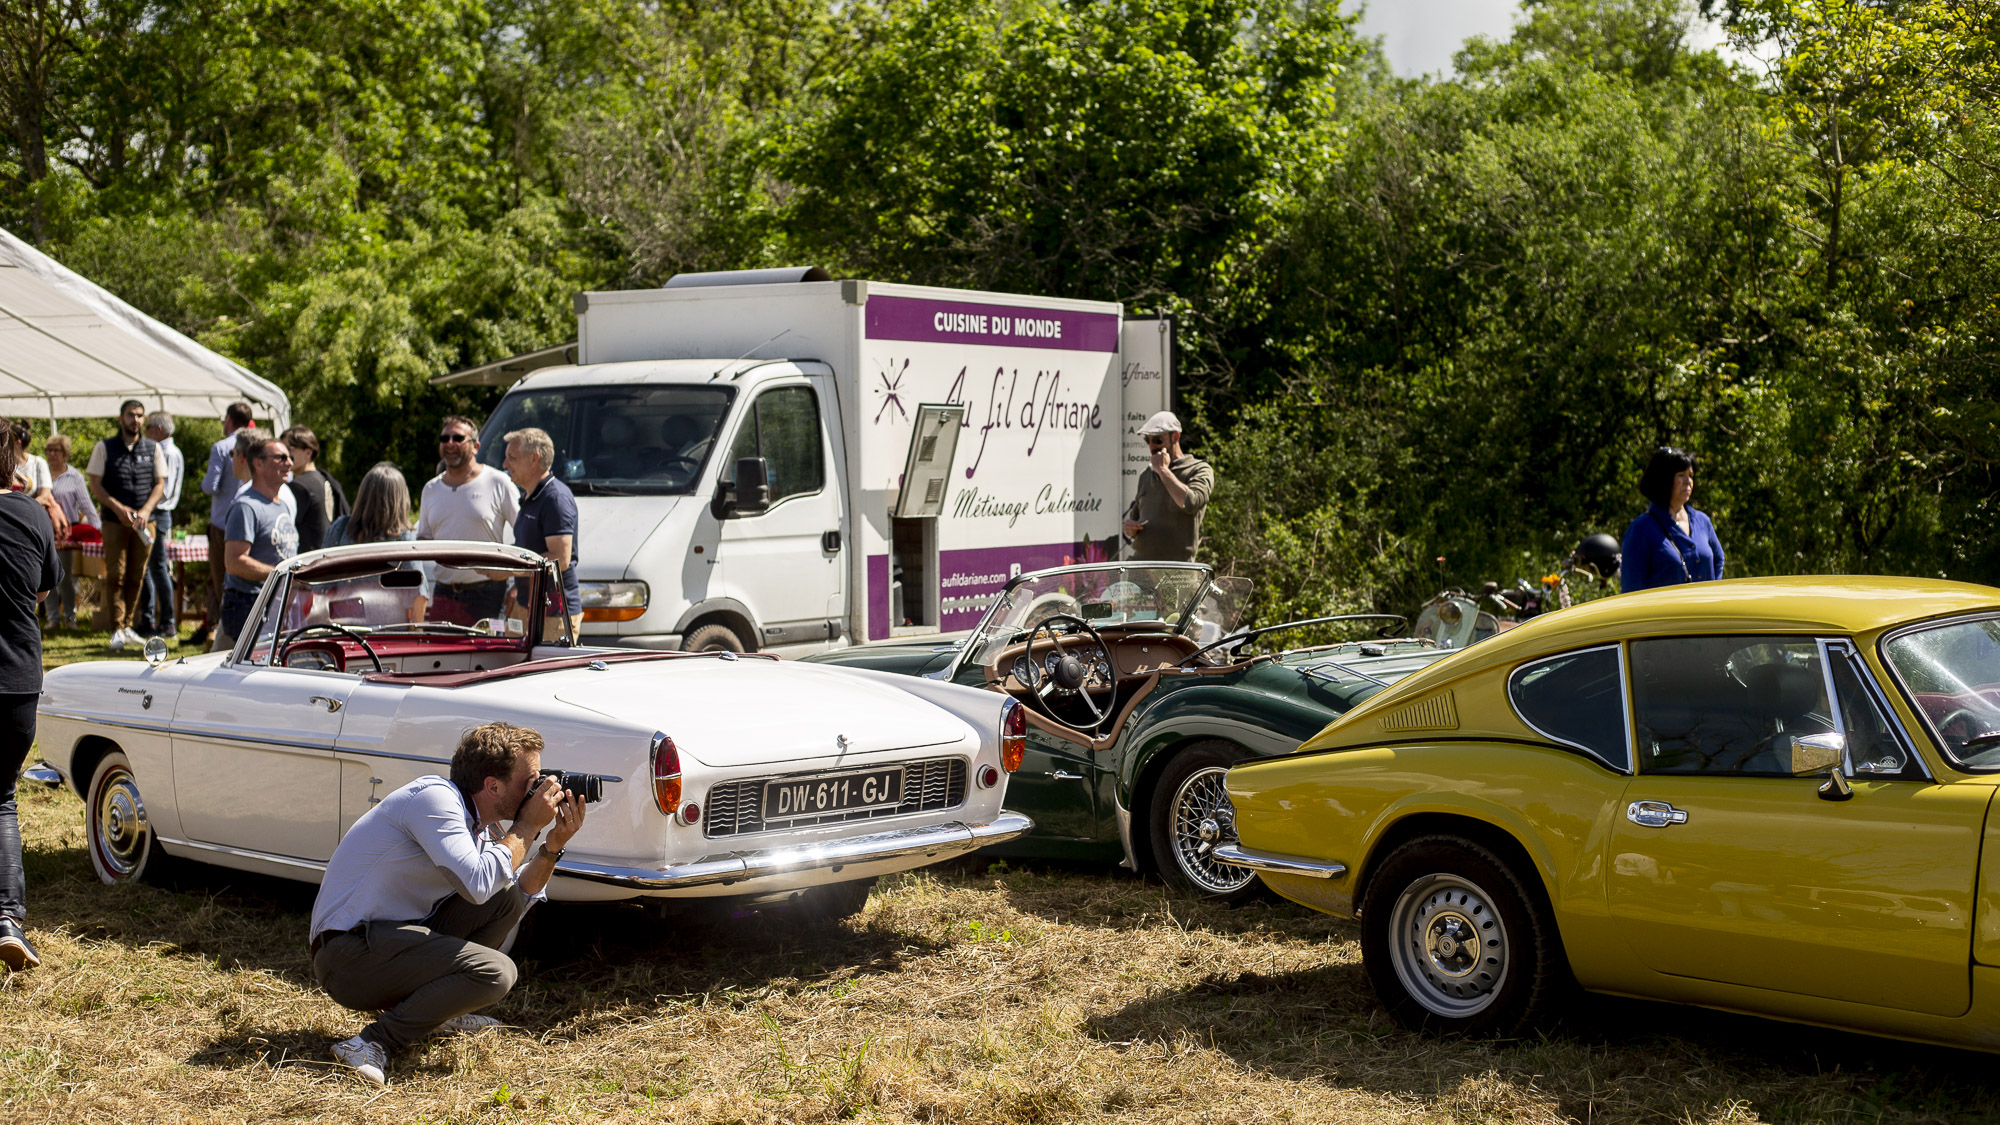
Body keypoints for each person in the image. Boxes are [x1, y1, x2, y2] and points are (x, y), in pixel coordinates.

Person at [309, 721, 584, 1087]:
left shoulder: (478, 825)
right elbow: (477, 883)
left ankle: (439, 1011)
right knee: (497, 972)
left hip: (391, 941)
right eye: (531, 780)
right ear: (492, 785)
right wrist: (528, 826)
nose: (540, 790)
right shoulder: (434, 799)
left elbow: (512, 896)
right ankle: (371, 1042)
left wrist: (551, 847)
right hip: (347, 954)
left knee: (505, 897)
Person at [0, 416, 59, 971]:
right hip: (17, 674)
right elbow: (44, 587)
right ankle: (6, 919)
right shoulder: (31, 513)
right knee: (1, 796)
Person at [415, 416, 518, 625]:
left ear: (476, 446)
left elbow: (527, 535)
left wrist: (518, 585)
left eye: (458, 438)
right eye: (445, 438)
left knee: (485, 657)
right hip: (444, 592)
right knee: (440, 655)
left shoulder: (498, 482)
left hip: (487, 594)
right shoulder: (430, 489)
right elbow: (424, 540)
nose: (450, 443)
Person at [86, 400, 167, 650]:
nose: (136, 420)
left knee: (137, 576)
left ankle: (129, 625)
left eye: (140, 415)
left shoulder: (153, 447)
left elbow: (159, 484)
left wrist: (145, 511)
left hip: (145, 523)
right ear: (120, 418)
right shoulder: (104, 447)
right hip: (114, 522)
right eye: (131, 415)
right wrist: (117, 508)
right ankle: (117, 628)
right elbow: (95, 483)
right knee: (116, 575)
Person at [216, 438, 299, 650]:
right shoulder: (246, 507)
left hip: (275, 602)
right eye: (280, 458)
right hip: (249, 606)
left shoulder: (281, 505)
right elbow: (234, 562)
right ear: (258, 464)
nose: (289, 462)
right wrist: (281, 574)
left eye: (289, 457)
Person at [502, 428, 582, 643]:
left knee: (545, 676)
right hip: (527, 606)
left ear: (534, 458)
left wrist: (509, 570)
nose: (505, 464)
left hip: (552, 614)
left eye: (512, 458)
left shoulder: (555, 498)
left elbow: (561, 559)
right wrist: (515, 587)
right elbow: (532, 549)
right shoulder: (531, 495)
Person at [1620, 446, 1725, 593]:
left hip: (1707, 614)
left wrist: (1714, 592)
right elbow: (1631, 589)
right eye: (1681, 475)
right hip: (1664, 616)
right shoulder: (1641, 529)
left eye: (1691, 475)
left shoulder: (1703, 521)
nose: (1688, 481)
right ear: (1664, 480)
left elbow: (1718, 559)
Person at [1121, 411, 1215, 562]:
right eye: (1148, 440)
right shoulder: (1146, 475)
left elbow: (1191, 503)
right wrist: (1130, 528)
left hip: (1177, 574)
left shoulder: (1199, 469)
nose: (1152, 446)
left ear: (1176, 437)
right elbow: (1136, 519)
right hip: (1140, 569)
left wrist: (1163, 470)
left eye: (1158, 440)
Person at [199, 402, 255, 637]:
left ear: (230, 419)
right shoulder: (258, 444)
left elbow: (210, 486)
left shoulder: (222, 447)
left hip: (223, 522)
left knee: (222, 578)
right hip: (254, 519)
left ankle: (225, 632)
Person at [134, 411, 184, 641]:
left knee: (158, 567)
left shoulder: (168, 453)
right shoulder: (161, 451)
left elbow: (164, 489)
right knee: (150, 567)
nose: (145, 434)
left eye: (148, 429)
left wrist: (144, 501)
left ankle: (167, 622)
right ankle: (149, 619)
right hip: (153, 512)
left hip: (159, 513)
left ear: (159, 430)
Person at [43, 435, 96, 630]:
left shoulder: (74, 476)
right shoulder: (41, 472)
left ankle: (70, 618)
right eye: (49, 450)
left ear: (65, 454)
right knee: (46, 576)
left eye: (56, 451)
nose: (52, 454)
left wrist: (98, 530)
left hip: (67, 532)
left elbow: (86, 505)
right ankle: (53, 619)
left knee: (65, 576)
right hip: (44, 528)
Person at [284, 425, 348, 553]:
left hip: (308, 562)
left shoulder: (299, 486)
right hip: (324, 557)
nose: (284, 455)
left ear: (308, 452)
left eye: (289, 449)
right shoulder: (323, 478)